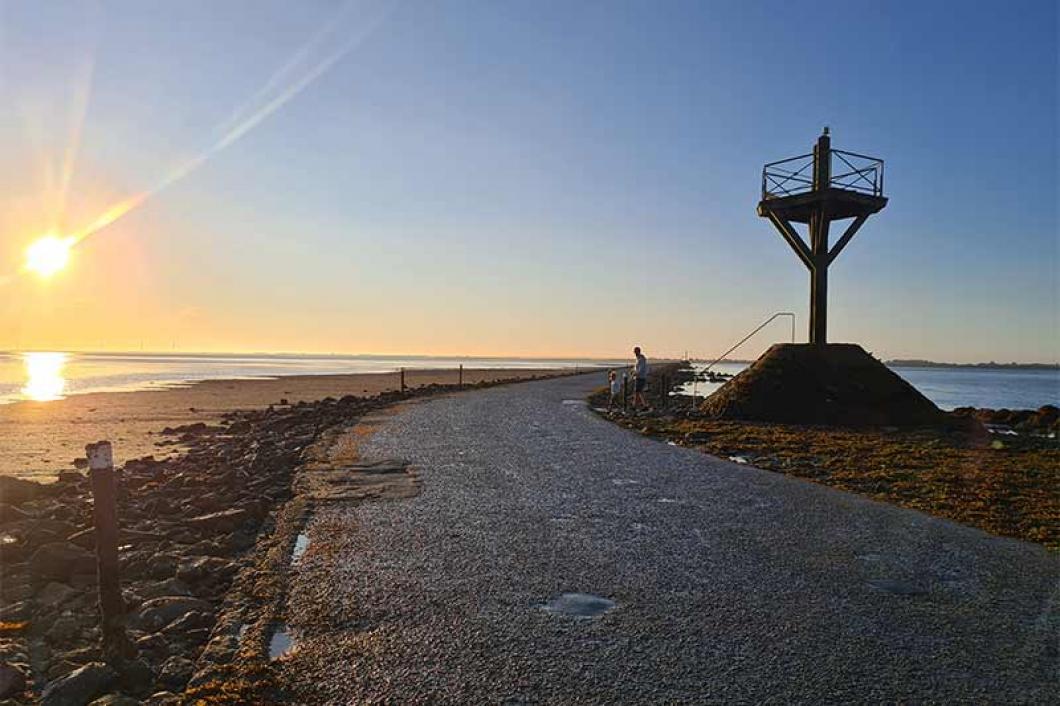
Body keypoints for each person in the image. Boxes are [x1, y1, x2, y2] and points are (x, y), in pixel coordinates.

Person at [632, 346, 649, 411]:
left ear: (638, 351)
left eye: (635, 352)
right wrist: (633, 371)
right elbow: (636, 367)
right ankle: (642, 405)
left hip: (640, 377)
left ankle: (636, 405)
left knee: (637, 392)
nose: (635, 353)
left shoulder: (641, 359)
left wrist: (635, 373)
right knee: (639, 392)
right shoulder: (638, 359)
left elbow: (641, 369)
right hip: (639, 377)